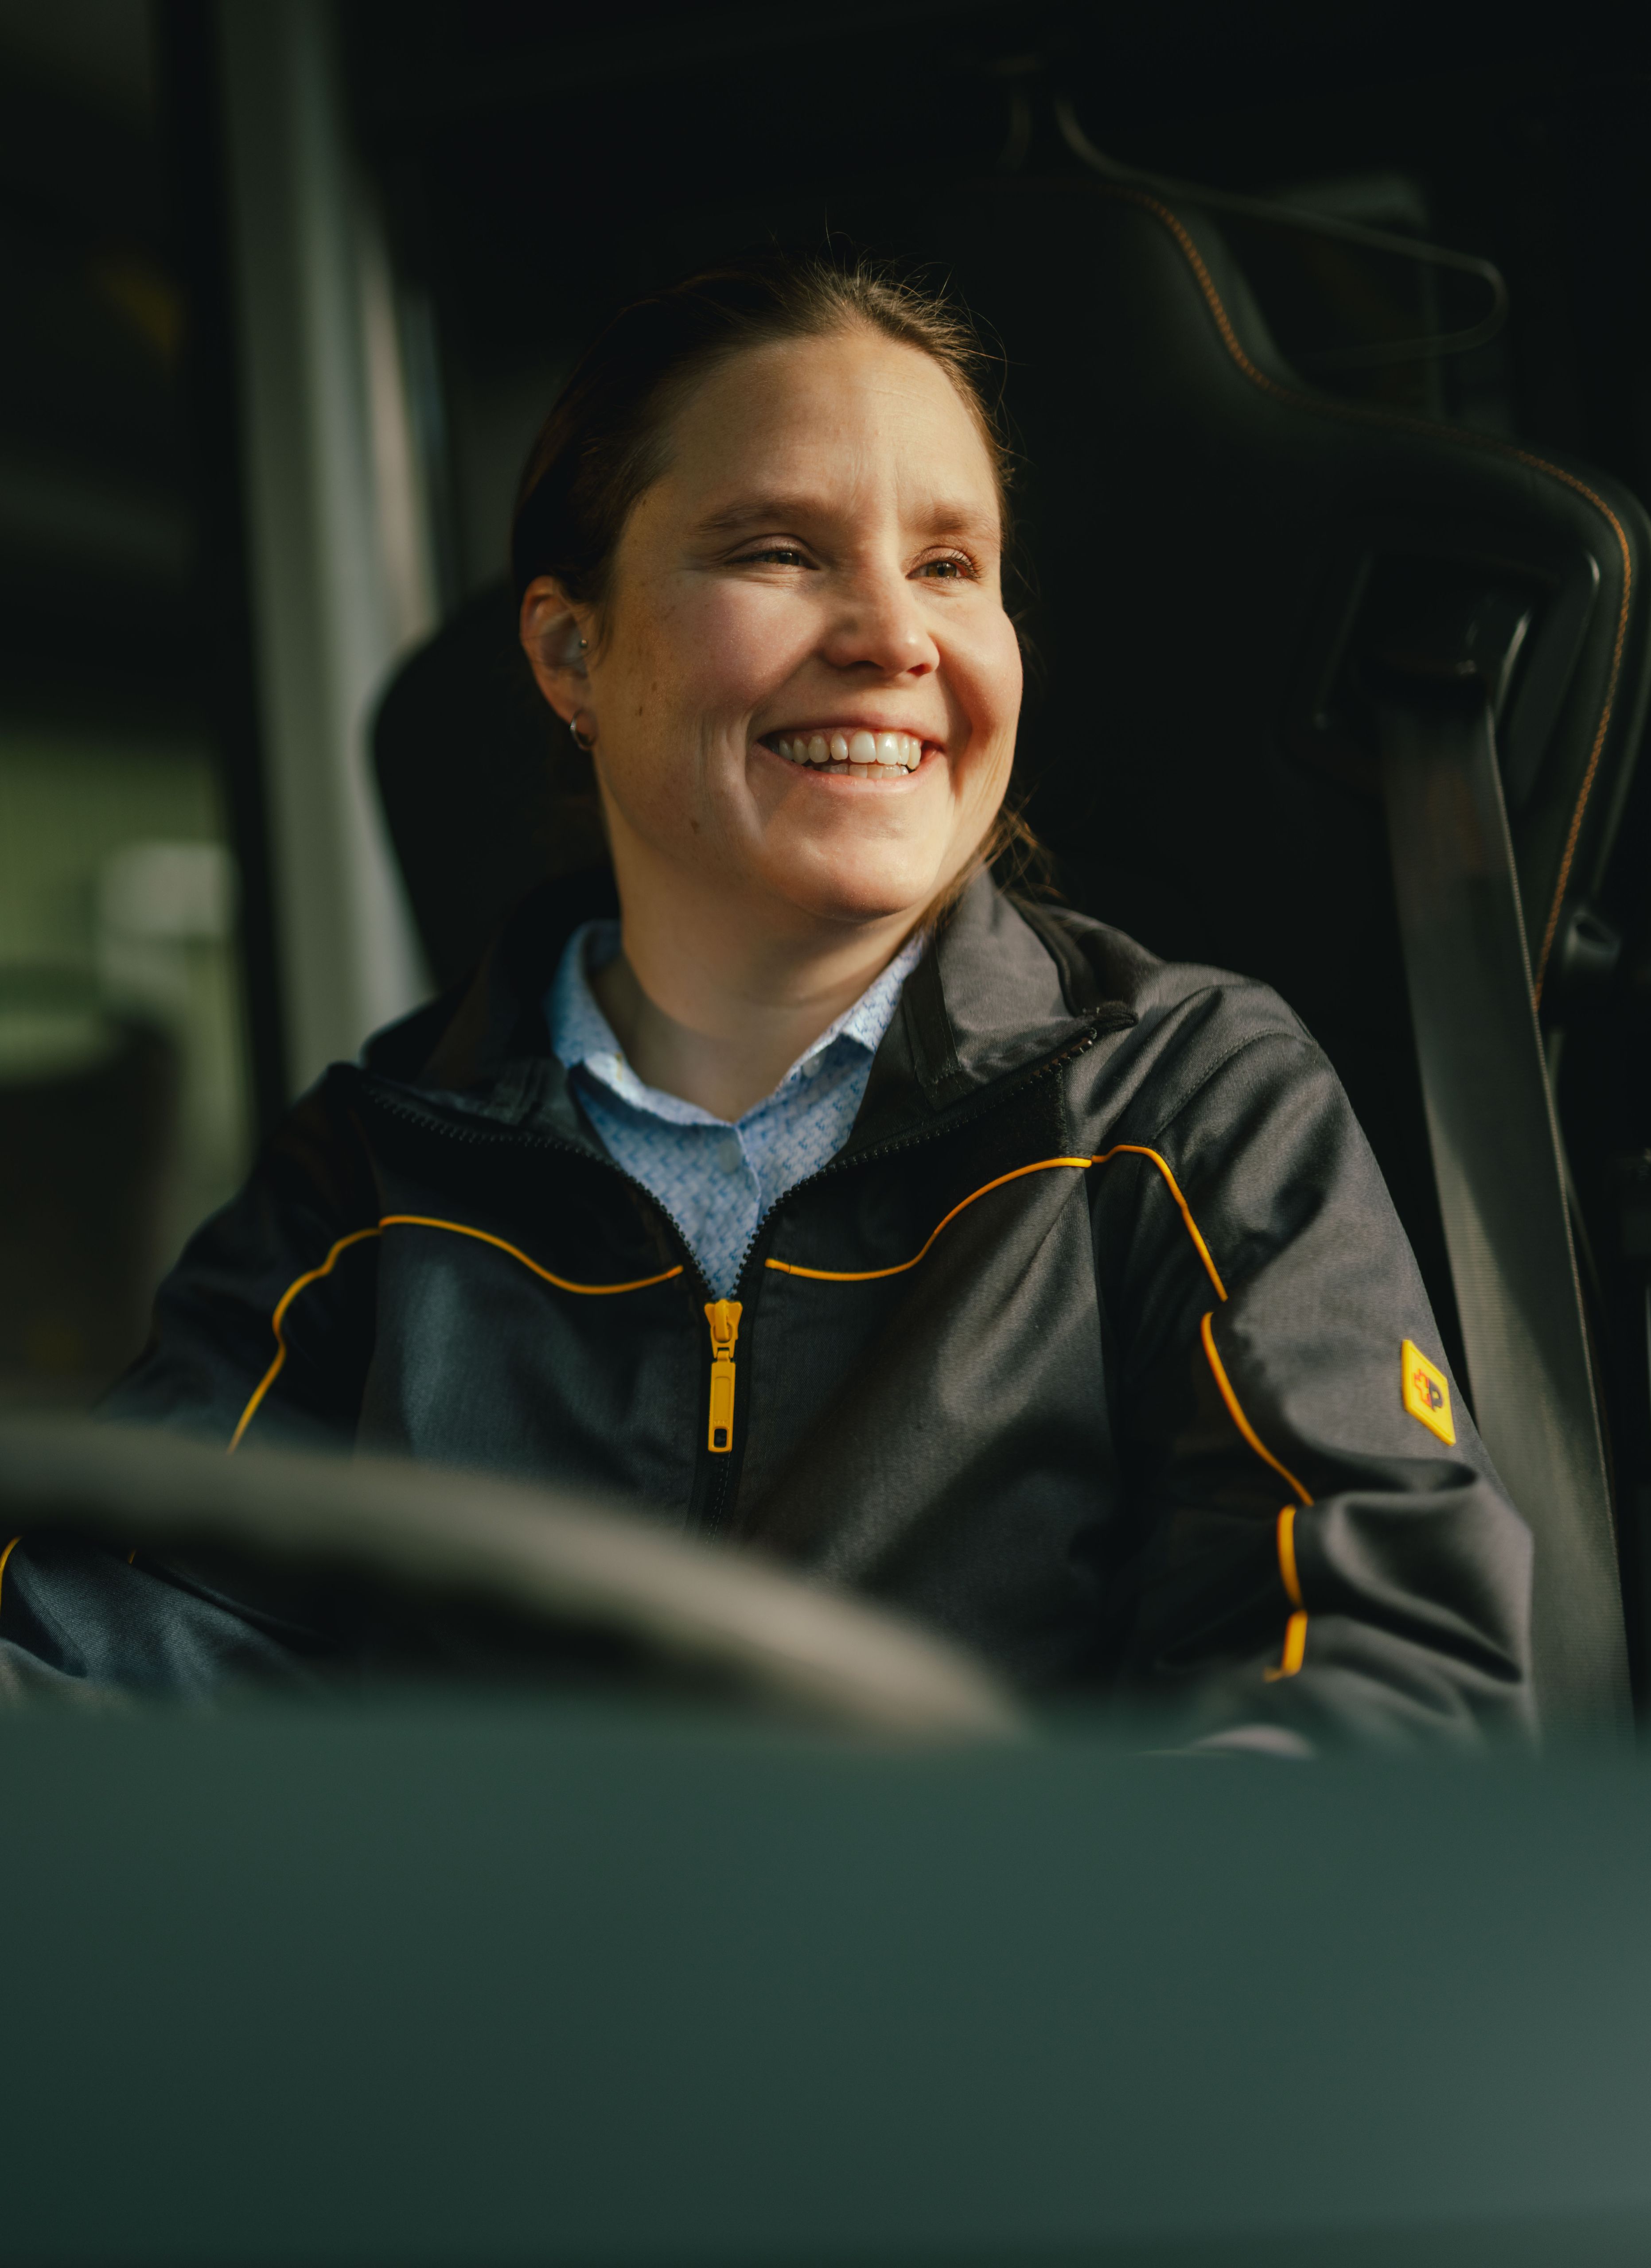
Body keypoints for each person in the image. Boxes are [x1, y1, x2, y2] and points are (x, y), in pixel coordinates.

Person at [0, 254, 1533, 1747]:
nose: (894, 636)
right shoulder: (368, 1186)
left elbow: (1375, 1682)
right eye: (780, 552)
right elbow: (85, 1679)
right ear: (568, 651)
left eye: (949, 565)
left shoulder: (1181, 1105)